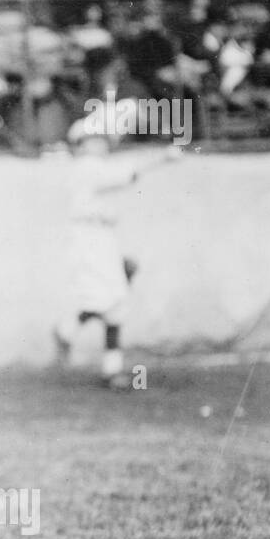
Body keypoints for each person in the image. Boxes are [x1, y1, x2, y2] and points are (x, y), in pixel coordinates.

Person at [53, 118, 179, 388]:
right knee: (106, 297)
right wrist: (162, 158)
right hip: (87, 236)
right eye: (93, 140)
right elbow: (128, 172)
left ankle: (105, 364)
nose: (100, 144)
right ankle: (68, 333)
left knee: (115, 301)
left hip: (103, 235)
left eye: (101, 139)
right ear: (81, 145)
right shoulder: (86, 167)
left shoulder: (96, 167)